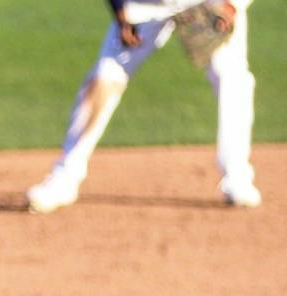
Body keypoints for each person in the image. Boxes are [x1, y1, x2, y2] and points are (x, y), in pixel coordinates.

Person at [28, 1, 261, 212]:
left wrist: (232, 5)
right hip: (145, 3)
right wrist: (120, 11)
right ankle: (65, 176)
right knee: (105, 75)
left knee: (231, 76)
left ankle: (237, 176)